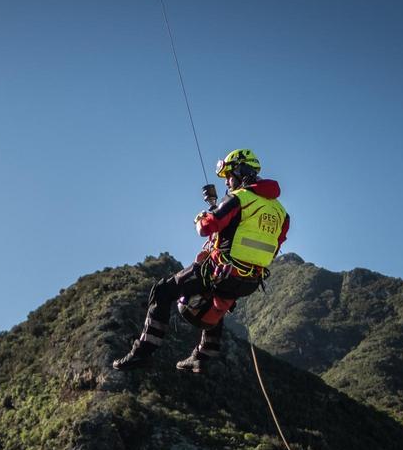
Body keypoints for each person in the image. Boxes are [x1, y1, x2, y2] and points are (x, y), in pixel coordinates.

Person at [112, 148, 290, 374]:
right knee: (214, 296)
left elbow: (206, 227)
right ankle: (204, 355)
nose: (227, 182)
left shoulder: (239, 198)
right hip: (250, 281)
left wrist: (201, 217)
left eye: (229, 176)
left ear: (241, 172)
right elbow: (274, 246)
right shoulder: (281, 213)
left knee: (163, 291)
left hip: (221, 272)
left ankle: (143, 352)